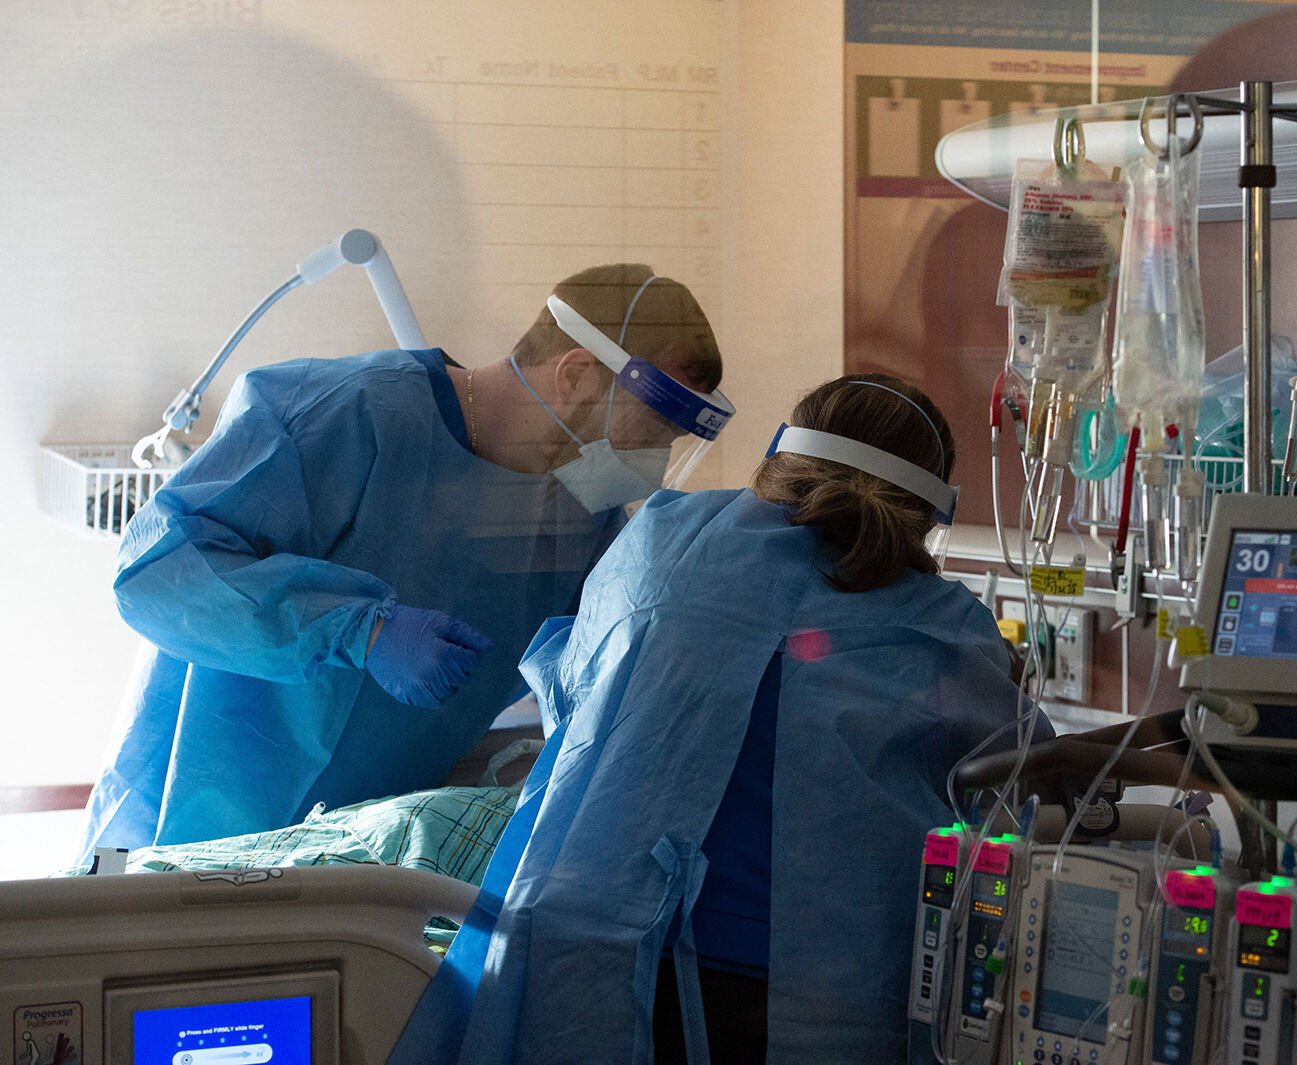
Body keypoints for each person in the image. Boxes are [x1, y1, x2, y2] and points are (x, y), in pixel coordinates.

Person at [387, 375, 1041, 1065]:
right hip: (815, 986)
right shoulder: (947, 626)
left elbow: (578, 688)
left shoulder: (666, 535)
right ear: (927, 509)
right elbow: (1018, 793)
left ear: (783, 453)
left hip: (596, 941)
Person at [78, 264, 733, 862]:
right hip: (189, 823)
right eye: (646, 435)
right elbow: (155, 572)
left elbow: (590, 662)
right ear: (576, 375)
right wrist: (355, 629)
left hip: (357, 855)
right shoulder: (340, 413)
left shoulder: (579, 516)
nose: (645, 465)